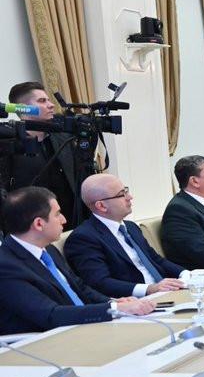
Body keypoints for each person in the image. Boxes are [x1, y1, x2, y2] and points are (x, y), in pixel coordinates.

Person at [0, 187, 155, 334]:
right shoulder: (6, 266)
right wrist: (115, 309)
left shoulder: (49, 249)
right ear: (39, 224)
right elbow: (50, 314)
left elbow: (80, 288)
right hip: (46, 340)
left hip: (82, 327)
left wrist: (112, 303)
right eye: (57, 214)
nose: (64, 220)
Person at [64, 174, 185, 298]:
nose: (129, 197)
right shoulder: (83, 238)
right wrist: (149, 289)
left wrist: (186, 274)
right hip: (136, 300)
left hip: (166, 291)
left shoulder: (130, 227)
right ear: (102, 206)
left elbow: (156, 259)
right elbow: (100, 282)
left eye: (126, 191)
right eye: (121, 194)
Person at [2, 81, 80, 229]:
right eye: (42, 101)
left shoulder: (64, 138)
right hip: (33, 226)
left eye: (49, 100)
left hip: (73, 221)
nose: (51, 105)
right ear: (23, 108)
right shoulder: (9, 144)